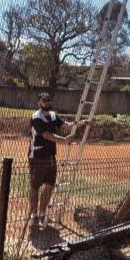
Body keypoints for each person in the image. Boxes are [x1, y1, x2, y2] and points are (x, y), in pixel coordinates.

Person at [28, 92, 86, 227]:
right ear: (39, 103)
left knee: (49, 185)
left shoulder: (53, 115)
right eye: (44, 100)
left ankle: (42, 213)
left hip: (50, 156)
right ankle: (33, 215)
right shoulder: (36, 117)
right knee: (35, 187)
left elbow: (67, 125)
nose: (47, 102)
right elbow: (46, 135)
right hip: (37, 156)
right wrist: (63, 140)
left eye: (49, 100)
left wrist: (83, 122)